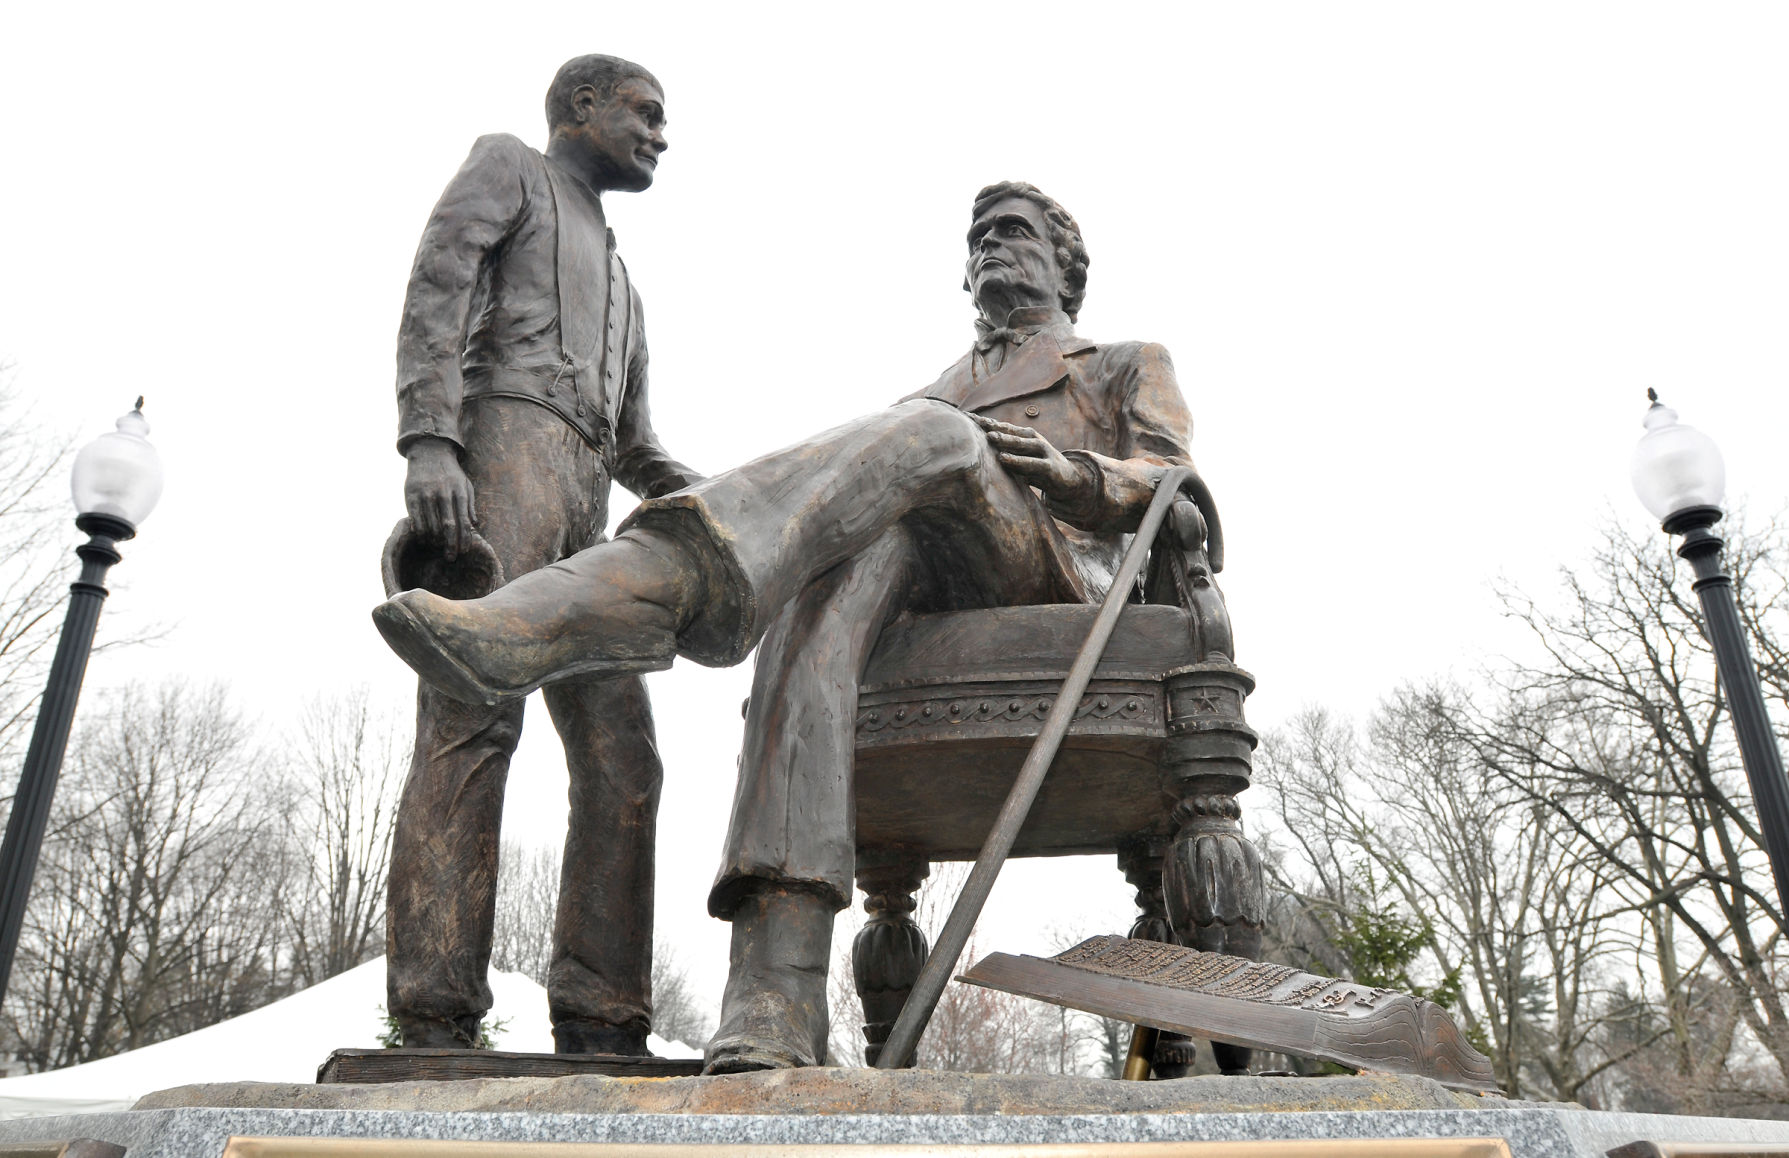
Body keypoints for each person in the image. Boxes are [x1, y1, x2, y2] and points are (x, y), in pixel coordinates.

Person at [374, 182, 1196, 1069]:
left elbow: (1175, 488)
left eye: (1014, 233)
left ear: (1064, 267)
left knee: (928, 436)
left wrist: (1077, 478)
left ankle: (614, 597)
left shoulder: (1120, 361)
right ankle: (775, 989)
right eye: (978, 237)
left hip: (1054, 580)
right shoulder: (933, 395)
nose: (990, 245)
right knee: (822, 581)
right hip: (926, 588)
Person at [383, 53, 701, 1055]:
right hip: (504, 452)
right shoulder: (510, 166)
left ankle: (605, 1014)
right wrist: (431, 441)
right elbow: (438, 285)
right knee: (474, 715)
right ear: (583, 105)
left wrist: (721, 508)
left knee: (624, 757)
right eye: (645, 113)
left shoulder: (626, 286)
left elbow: (639, 444)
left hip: (591, 504)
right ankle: (434, 1013)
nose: (660, 133)